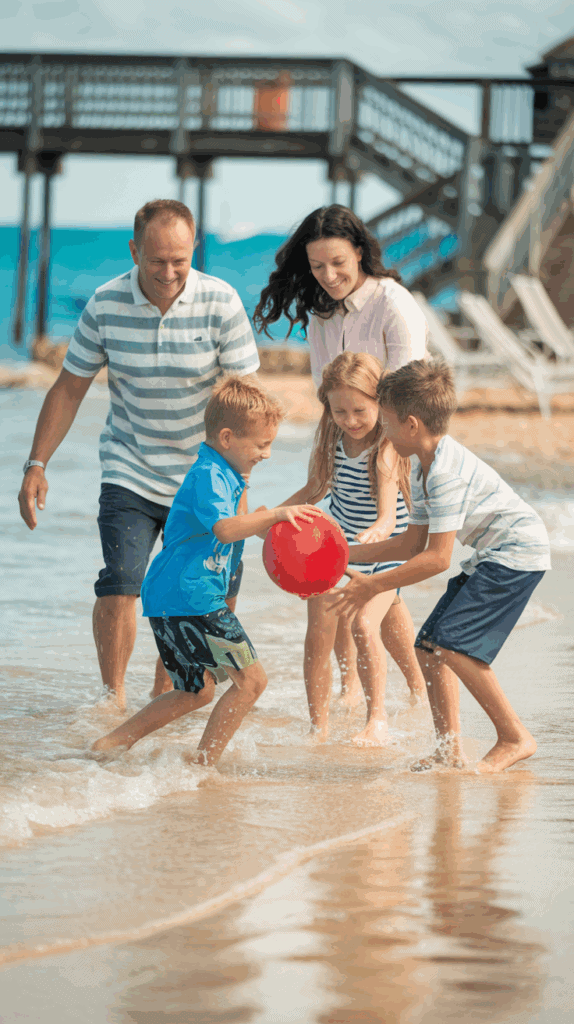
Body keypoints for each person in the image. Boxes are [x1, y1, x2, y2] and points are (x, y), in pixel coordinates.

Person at [18, 199, 259, 710]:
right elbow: (68, 389)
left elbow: (245, 401)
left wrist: (238, 486)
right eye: (156, 260)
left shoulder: (221, 302)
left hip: (204, 477)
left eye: (180, 259)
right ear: (133, 250)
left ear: (194, 249)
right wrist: (37, 464)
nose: (169, 272)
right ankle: (113, 698)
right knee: (122, 581)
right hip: (129, 467)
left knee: (206, 591)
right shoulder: (105, 303)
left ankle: (166, 686)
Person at [329, 360, 551, 774]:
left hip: (516, 554)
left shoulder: (444, 472)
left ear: (411, 425)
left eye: (388, 423)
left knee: (452, 646)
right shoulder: (421, 464)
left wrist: (373, 587)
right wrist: (342, 556)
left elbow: (436, 559)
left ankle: (514, 736)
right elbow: (411, 543)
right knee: (428, 648)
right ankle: (448, 749)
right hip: (490, 554)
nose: (385, 432)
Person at [91, 376, 322, 766]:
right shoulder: (209, 476)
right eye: (262, 445)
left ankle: (109, 745)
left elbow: (242, 529)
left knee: (194, 691)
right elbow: (226, 528)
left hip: (174, 596)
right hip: (193, 595)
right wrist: (279, 513)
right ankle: (203, 765)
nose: (267, 454)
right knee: (252, 682)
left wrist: (296, 554)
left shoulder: (227, 475)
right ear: (228, 438)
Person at [254, 203, 427, 705]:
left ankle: (374, 692)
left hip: (399, 445)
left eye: (338, 263)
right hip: (346, 442)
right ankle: (379, 688)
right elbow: (324, 394)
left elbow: (409, 394)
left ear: (360, 253)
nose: (328, 277)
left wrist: (384, 467)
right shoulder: (322, 315)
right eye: (316, 267)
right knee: (379, 593)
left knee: (377, 590)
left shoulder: (393, 303)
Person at [281, 351, 427, 744]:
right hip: (339, 547)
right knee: (320, 628)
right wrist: (274, 517)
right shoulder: (333, 439)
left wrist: (380, 528)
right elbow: (314, 490)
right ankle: (319, 726)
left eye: (360, 410)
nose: (350, 420)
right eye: (339, 411)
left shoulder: (385, 445)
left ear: (381, 401)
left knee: (365, 624)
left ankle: (376, 718)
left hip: (385, 549)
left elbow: (385, 507)